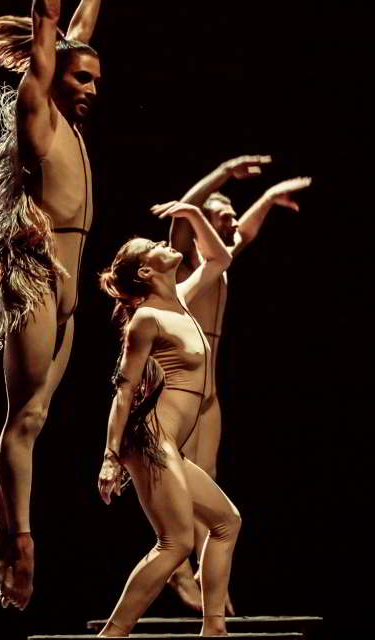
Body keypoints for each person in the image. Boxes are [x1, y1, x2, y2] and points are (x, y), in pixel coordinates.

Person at [0, 0, 103, 611]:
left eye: (97, 81)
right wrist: (49, 23)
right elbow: (51, 26)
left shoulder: (68, 123)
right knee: (22, 418)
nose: (92, 89)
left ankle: (8, 538)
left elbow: (78, 32)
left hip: (67, 285)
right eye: (83, 78)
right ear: (51, 74)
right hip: (37, 278)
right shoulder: (38, 113)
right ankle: (13, 543)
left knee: (38, 417)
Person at [168, 156, 312, 612]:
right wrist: (225, 172)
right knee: (180, 479)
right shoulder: (185, 262)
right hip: (182, 380)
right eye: (224, 214)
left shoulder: (219, 261)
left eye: (233, 214)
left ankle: (202, 569)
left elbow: (244, 234)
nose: (232, 220)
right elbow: (184, 210)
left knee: (206, 479)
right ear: (202, 221)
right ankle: (177, 564)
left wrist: (267, 198)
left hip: (209, 386)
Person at [98, 200, 242, 638]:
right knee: (176, 542)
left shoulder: (180, 301)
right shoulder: (146, 318)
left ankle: (214, 629)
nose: (165, 242)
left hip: (167, 445)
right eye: (154, 245)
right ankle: (113, 634)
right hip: (149, 439)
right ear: (146, 271)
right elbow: (124, 389)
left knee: (226, 523)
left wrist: (193, 213)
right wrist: (110, 457)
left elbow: (219, 259)